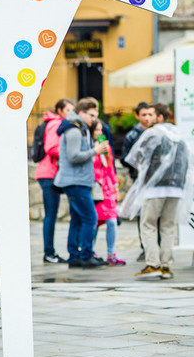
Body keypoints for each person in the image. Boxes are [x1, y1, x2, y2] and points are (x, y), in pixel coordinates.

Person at [119, 119, 193, 280]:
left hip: (154, 188)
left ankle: (153, 264)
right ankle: (166, 266)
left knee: (148, 224)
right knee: (168, 227)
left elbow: (138, 158)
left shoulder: (154, 136)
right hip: (176, 188)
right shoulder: (178, 138)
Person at [54, 97, 110, 268]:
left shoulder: (79, 129)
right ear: (81, 113)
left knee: (77, 219)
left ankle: (75, 256)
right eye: (92, 115)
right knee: (90, 218)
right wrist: (95, 150)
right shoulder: (74, 131)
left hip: (79, 181)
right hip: (75, 182)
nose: (94, 119)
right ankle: (85, 255)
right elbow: (74, 156)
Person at [35, 99, 73, 263]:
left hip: (50, 173)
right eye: (68, 110)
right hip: (48, 174)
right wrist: (69, 152)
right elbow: (51, 147)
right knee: (51, 214)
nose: (70, 113)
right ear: (60, 110)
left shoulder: (57, 122)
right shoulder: (55, 123)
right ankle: (49, 253)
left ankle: (50, 252)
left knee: (52, 213)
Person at [120, 103, 157, 263]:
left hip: (157, 181)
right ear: (137, 116)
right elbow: (124, 158)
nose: (147, 118)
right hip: (139, 182)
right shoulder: (132, 135)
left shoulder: (158, 132)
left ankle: (157, 247)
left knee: (157, 216)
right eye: (144, 115)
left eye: (150, 114)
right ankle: (145, 248)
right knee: (142, 215)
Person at [91, 120, 123, 265]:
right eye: (96, 130)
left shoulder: (106, 148)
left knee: (112, 221)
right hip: (96, 188)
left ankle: (111, 254)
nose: (99, 133)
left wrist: (115, 187)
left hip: (107, 188)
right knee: (95, 222)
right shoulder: (89, 147)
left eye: (101, 130)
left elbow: (110, 168)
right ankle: (91, 251)